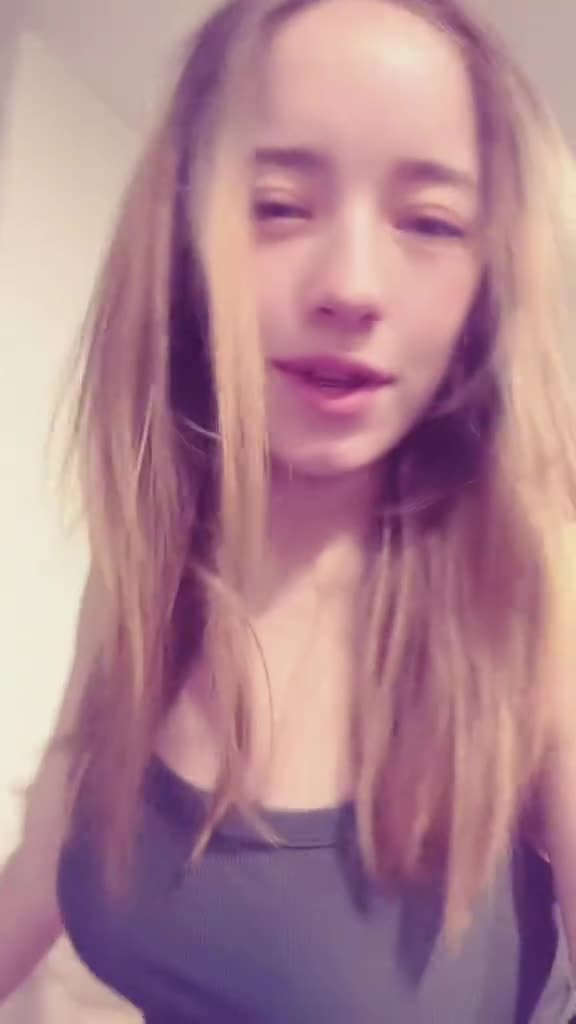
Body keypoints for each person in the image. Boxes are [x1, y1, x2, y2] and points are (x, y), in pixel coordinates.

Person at [2, 0, 576, 1019]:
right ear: (183, 245)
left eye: (430, 223)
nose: (351, 285)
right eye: (277, 207)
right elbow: (52, 854)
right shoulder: (146, 569)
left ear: (489, 284)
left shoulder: (538, 601)